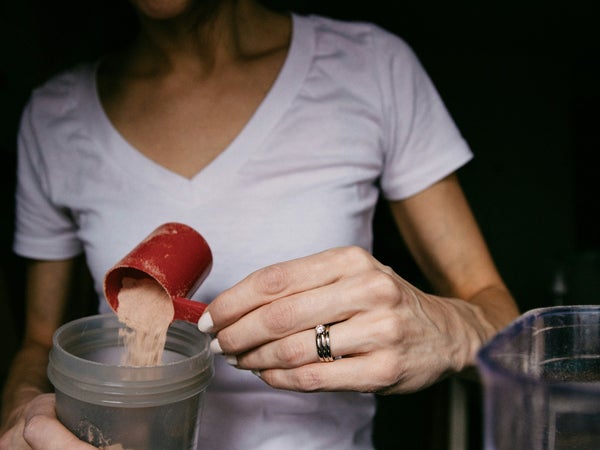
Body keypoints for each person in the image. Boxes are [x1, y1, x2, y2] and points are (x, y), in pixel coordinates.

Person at [0, 0, 520, 448]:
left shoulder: (371, 67)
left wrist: (451, 331)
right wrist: (23, 411)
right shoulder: (53, 118)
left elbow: (493, 307)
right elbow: (39, 340)